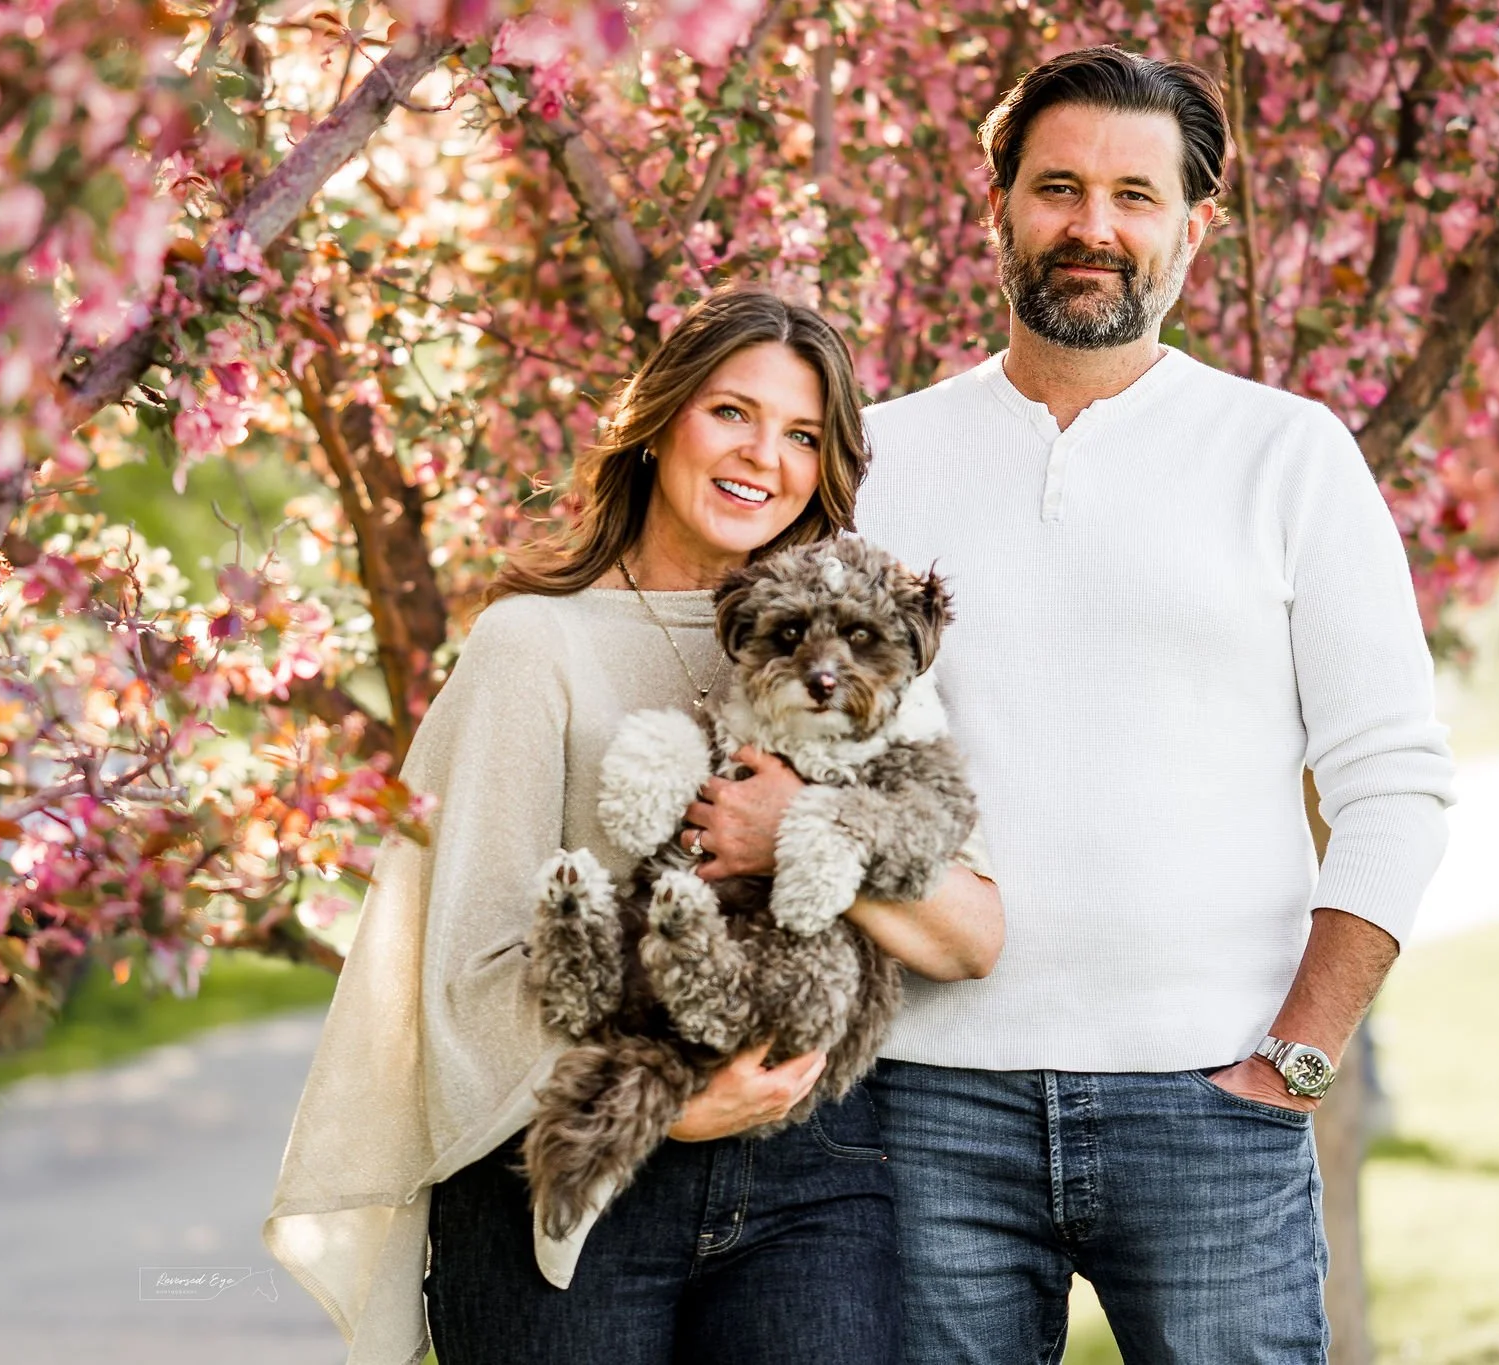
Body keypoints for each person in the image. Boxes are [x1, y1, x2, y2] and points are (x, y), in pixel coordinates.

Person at [689, 46, 1456, 1364]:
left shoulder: (1289, 455)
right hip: (920, 1108)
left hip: (1214, 1104)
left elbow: (1394, 784)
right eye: (1056, 187)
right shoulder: (876, 460)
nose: (1091, 226)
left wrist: (1298, 1060)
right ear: (996, 206)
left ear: (1193, 229)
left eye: (1133, 195)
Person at [262, 287, 1004, 1365]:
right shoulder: (532, 646)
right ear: (658, 422)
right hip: (574, 1168)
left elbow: (969, 933)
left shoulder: (855, 642)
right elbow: (460, 972)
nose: (764, 457)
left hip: (810, 1175)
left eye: (802, 435)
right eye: (731, 412)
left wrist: (795, 827)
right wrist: (675, 1101)